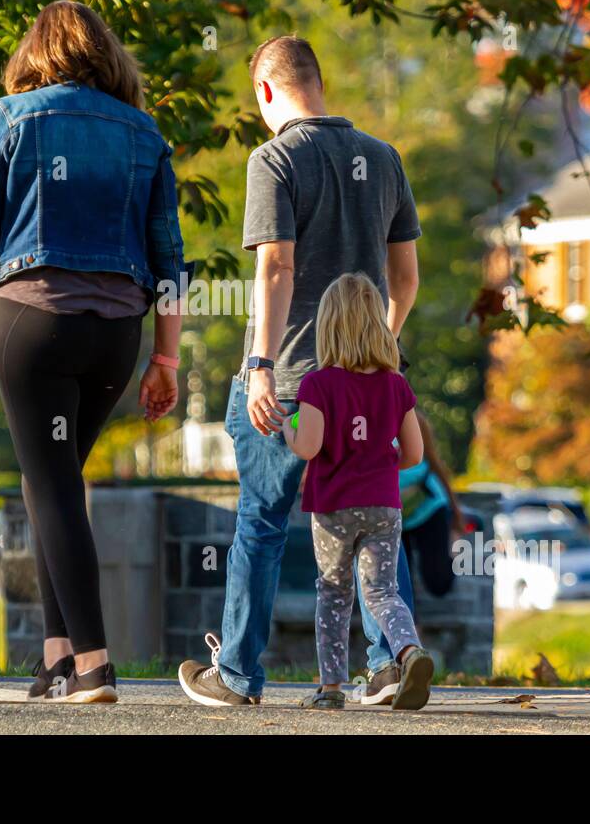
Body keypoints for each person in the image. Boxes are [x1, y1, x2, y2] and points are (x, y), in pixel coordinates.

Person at [0, 0, 184, 704]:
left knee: (51, 488)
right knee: (53, 485)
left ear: (33, 53)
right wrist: (166, 359)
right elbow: (170, 257)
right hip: (116, 338)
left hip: (34, 323)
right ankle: (57, 659)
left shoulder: (10, 117)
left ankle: (96, 665)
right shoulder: (145, 133)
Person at [178, 35, 422, 707]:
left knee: (260, 523)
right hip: (367, 386)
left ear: (265, 91)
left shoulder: (275, 159)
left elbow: (277, 265)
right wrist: (378, 350)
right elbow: (405, 278)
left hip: (289, 383)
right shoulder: (383, 157)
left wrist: (258, 362)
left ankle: (237, 676)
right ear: (318, 81)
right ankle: (388, 665)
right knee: (375, 521)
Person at [281, 273, 433, 710]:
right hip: (384, 505)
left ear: (328, 326)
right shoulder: (396, 384)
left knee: (333, 593)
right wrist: (379, 457)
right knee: (383, 592)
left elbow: (308, 446)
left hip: (332, 509)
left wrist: (288, 428)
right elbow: (415, 454)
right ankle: (408, 651)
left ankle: (330, 689)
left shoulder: (317, 384)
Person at [355, 410, 466, 704]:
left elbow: (435, 466)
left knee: (438, 581)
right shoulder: (360, 420)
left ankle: (408, 647)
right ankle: (409, 644)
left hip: (428, 511)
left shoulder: (411, 419)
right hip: (392, 515)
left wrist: (456, 517)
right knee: (396, 583)